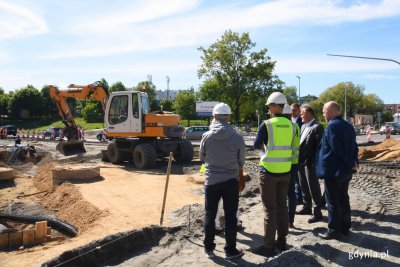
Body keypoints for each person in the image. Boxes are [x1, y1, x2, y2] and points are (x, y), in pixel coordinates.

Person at [252, 92, 297, 257]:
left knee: (270, 211)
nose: (269, 109)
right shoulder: (293, 126)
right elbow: (294, 151)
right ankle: (282, 242)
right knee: (283, 208)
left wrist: (267, 151)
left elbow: (256, 144)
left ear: (275, 106)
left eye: (270, 106)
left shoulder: (267, 124)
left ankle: (268, 246)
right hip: (286, 172)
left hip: (269, 172)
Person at [200, 102, 246, 260]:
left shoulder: (206, 136)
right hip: (230, 181)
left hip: (211, 181)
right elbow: (241, 161)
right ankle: (230, 250)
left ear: (214, 116)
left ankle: (209, 248)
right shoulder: (237, 137)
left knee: (210, 215)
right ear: (229, 117)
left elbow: (202, 157)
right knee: (231, 216)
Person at [316, 101, 358, 240]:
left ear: (334, 112)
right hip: (346, 171)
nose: (323, 114)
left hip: (334, 171)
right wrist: (354, 161)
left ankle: (334, 230)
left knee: (333, 201)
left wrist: (350, 161)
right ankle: (345, 227)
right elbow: (354, 146)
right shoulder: (348, 126)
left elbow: (336, 148)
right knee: (343, 198)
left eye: (325, 111)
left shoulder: (332, 126)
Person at [297, 106, 325, 223]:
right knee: (303, 186)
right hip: (301, 162)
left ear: (309, 114)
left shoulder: (317, 127)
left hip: (311, 163)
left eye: (302, 114)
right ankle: (306, 207)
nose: (300, 116)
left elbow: (319, 147)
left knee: (313, 188)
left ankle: (317, 212)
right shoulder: (303, 126)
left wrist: (314, 161)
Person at [282, 104, 300, 229]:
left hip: (281, 164)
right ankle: (290, 221)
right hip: (294, 163)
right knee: (291, 193)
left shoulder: (279, 126)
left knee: (281, 194)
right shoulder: (296, 127)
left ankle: (282, 221)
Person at [291, 103, 303, 204]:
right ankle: (297, 197)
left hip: (300, 154)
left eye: (294, 110)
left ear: (299, 111)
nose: (292, 112)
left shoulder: (301, 122)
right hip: (290, 156)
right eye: (291, 110)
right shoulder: (288, 121)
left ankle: (300, 198)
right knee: (294, 179)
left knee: (299, 179)